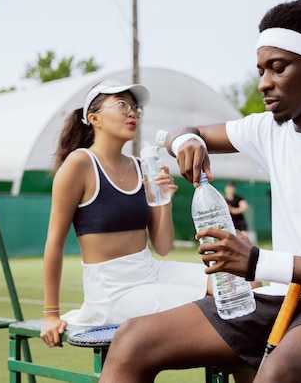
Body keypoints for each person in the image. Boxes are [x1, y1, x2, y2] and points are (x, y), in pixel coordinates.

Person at [98, 0, 301, 383]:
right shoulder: (269, 129)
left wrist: (257, 262)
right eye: (261, 69)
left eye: (278, 68)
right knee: (132, 340)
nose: (264, 82)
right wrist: (186, 145)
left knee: (280, 372)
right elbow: (182, 132)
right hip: (284, 299)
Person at [39, 80, 210, 348]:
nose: (131, 112)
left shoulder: (143, 167)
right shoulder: (80, 164)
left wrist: (163, 200)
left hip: (150, 271)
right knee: (219, 299)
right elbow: (54, 242)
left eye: (134, 107)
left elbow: (163, 247)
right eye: (121, 104)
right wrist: (51, 314)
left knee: (242, 282)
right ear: (93, 118)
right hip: (113, 291)